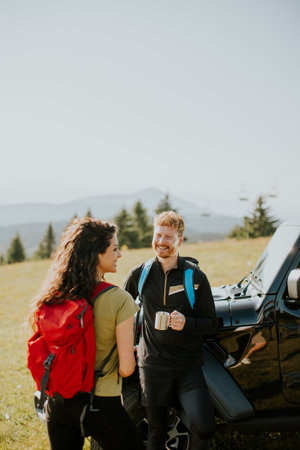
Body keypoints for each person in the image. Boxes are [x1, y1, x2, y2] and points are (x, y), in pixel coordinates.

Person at [29, 217, 144, 450]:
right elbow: (126, 369)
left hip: (58, 403)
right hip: (101, 405)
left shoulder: (56, 295)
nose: (119, 254)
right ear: (96, 254)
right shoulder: (119, 299)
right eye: (114, 248)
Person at [124, 211, 217, 450]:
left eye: (168, 236)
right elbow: (121, 312)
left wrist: (188, 323)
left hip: (187, 367)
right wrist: (129, 344)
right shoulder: (139, 274)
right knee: (156, 434)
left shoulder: (194, 276)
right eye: (158, 235)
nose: (162, 241)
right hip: (152, 367)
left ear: (180, 241)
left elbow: (211, 322)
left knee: (204, 427)